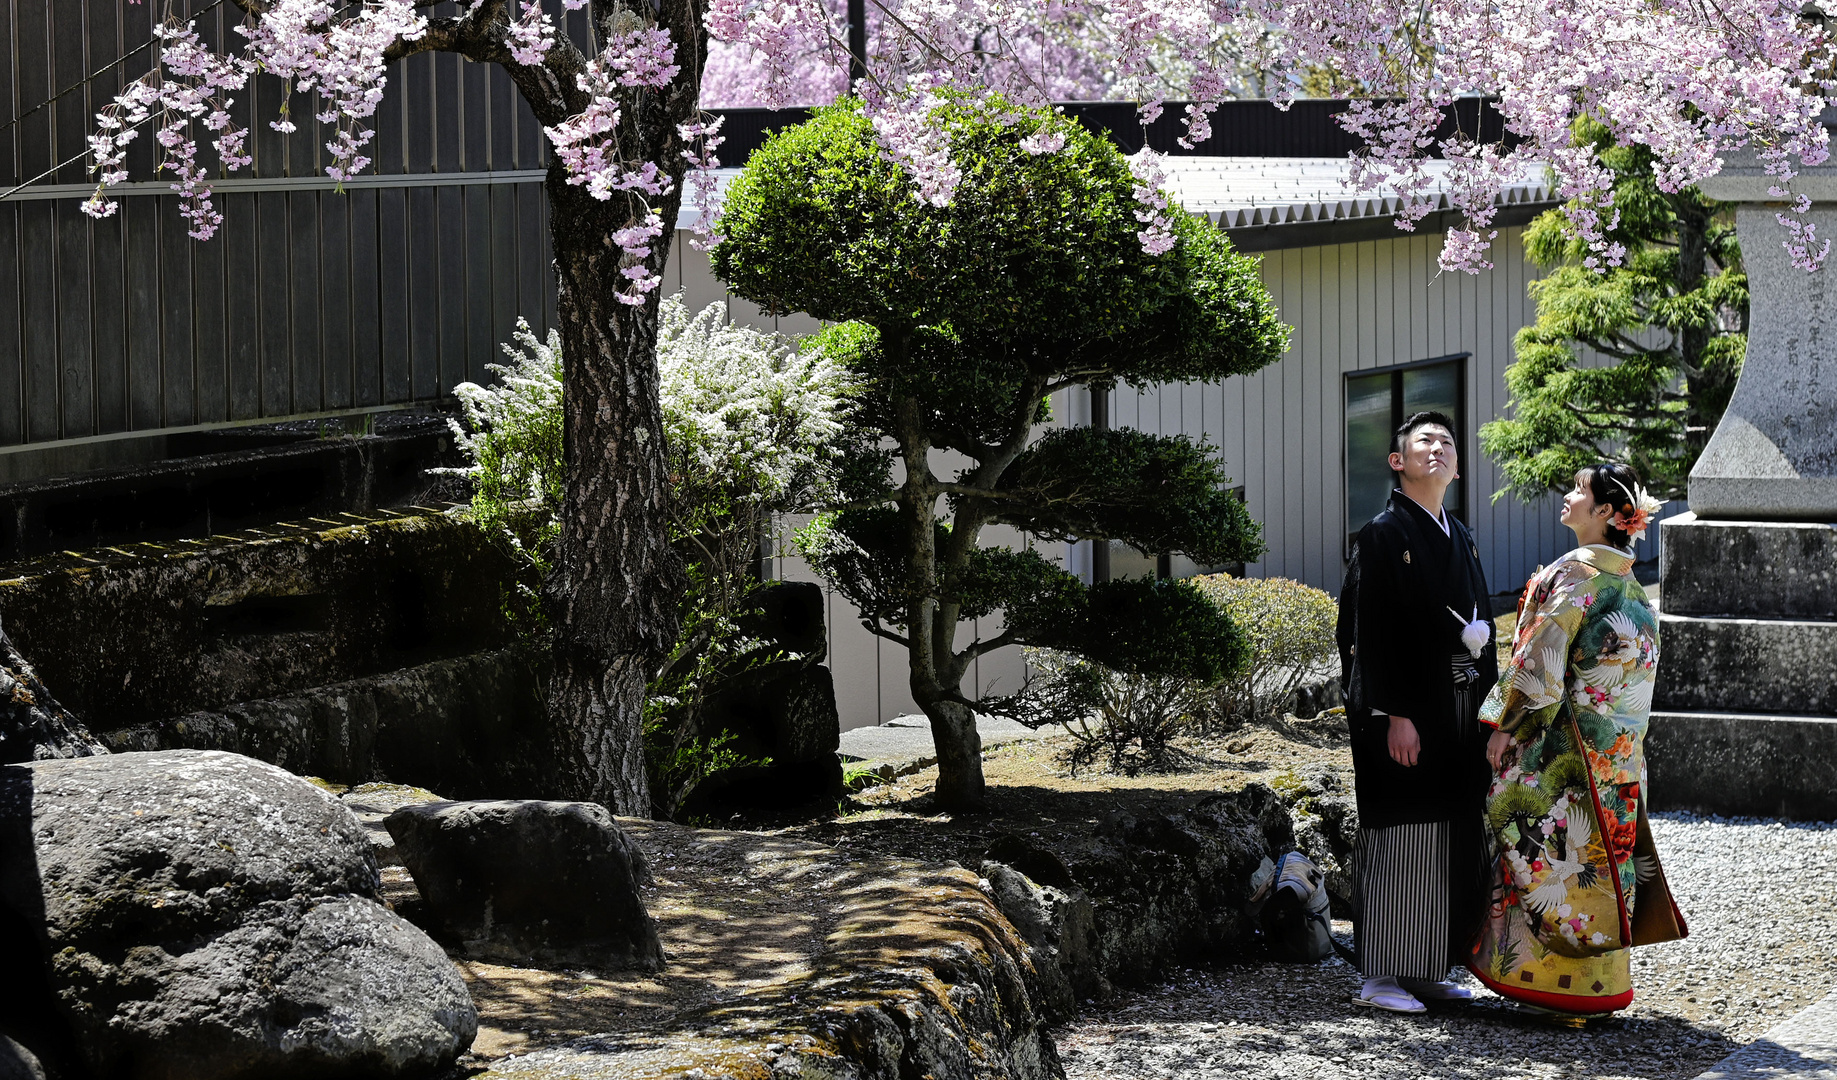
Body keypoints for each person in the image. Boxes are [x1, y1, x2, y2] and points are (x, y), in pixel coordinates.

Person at [1469, 462, 1687, 1016]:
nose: (1566, 496)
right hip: (1616, 752)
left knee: (1544, 841)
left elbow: (1539, 661)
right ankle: (1601, 986)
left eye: (1579, 491)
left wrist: (1505, 725)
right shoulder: (1631, 585)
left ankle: (1542, 981)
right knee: (1602, 850)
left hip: (1565, 744)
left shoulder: (1577, 577)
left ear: (1608, 514)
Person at [1336, 411, 1499, 1014]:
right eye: (1424, 441)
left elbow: (1480, 621)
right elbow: (1365, 632)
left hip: (1457, 709)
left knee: (1452, 829)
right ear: (1397, 462)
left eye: (1448, 443)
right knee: (1403, 829)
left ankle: (1427, 967)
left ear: (1457, 467)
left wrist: (1493, 711)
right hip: (1405, 711)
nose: (1439, 449)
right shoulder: (1381, 534)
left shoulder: (1461, 533)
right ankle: (1380, 975)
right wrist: (1394, 712)